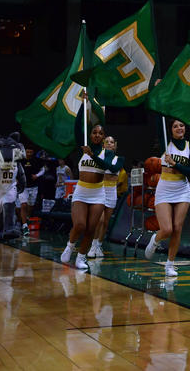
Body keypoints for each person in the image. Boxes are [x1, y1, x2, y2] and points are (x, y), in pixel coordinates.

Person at [144, 118, 190, 277]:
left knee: (177, 229)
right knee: (167, 229)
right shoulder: (165, 145)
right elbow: (158, 122)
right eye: (175, 126)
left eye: (182, 125)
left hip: (182, 189)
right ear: (171, 129)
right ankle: (155, 239)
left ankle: (170, 264)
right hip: (165, 189)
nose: (179, 128)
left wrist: (175, 164)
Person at [60, 108, 111, 270]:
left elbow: (106, 166)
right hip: (81, 192)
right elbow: (77, 126)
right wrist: (84, 105)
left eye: (100, 133)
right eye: (94, 132)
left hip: (98, 193)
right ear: (90, 135)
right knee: (80, 225)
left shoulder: (107, 153)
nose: (97, 135)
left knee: (91, 228)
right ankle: (70, 246)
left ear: (103, 138)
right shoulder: (82, 149)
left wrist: (92, 155)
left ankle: (81, 258)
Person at [88, 136, 125, 258]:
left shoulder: (120, 159)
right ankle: (93, 246)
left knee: (105, 223)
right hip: (100, 190)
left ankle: (99, 245)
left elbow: (113, 168)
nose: (109, 144)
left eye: (112, 142)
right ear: (103, 145)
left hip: (112, 191)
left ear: (115, 145)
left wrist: (103, 163)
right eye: (107, 142)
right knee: (100, 220)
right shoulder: (99, 157)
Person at [18, 147, 45, 235]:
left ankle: (28, 218)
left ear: (33, 152)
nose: (29, 153)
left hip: (33, 187)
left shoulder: (37, 160)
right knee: (23, 204)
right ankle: (25, 225)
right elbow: (15, 170)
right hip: (23, 187)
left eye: (31, 151)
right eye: (27, 151)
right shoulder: (20, 160)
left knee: (31, 205)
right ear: (25, 152)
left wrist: (37, 175)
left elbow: (43, 170)